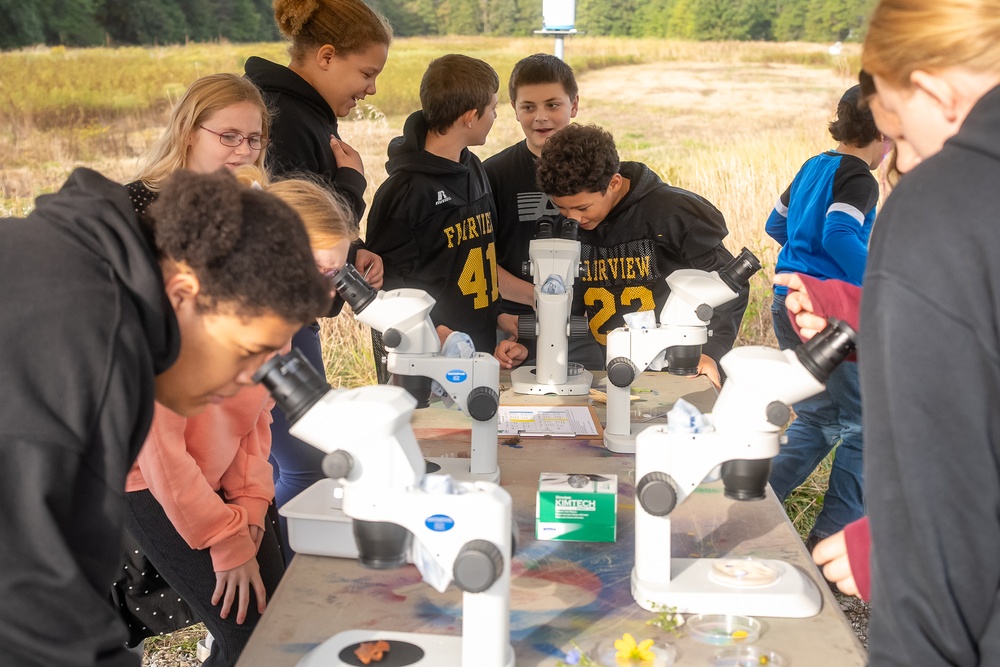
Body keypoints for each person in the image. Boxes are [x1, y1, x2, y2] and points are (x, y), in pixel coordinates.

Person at [0, 167, 331, 667]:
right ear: (184, 292)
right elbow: (37, 608)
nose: (248, 383)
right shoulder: (81, 336)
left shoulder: (124, 306)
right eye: (246, 352)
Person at [810, 1, 1000, 663]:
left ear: (933, 90)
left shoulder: (951, 200)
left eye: (906, 139)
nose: (904, 165)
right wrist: (875, 309)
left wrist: (896, 547)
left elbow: (945, 520)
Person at [245, 0, 388, 517]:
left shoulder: (301, 113)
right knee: (307, 462)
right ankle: (291, 583)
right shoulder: (285, 122)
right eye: (366, 72)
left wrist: (352, 251)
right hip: (270, 320)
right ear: (327, 56)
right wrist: (351, 185)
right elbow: (299, 232)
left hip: (289, 319)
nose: (370, 88)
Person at [533, 123, 748, 386]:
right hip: (616, 372)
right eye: (562, 209)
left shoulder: (671, 213)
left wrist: (711, 351)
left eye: (582, 207)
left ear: (613, 183)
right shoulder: (567, 227)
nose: (573, 219)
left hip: (682, 369)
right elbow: (568, 310)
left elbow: (730, 287)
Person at [764, 84, 885, 548]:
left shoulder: (813, 166)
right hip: (828, 313)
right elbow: (839, 232)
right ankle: (831, 541)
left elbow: (776, 224)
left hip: (785, 301)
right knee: (865, 425)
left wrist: (800, 263)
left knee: (818, 419)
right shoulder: (860, 178)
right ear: (883, 132)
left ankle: (752, 502)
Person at [364, 54, 506, 356]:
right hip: (428, 356)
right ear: (469, 117)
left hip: (480, 345)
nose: (496, 117)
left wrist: (500, 315)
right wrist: (432, 331)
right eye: (493, 109)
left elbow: (483, 258)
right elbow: (383, 286)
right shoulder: (405, 192)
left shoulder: (474, 168)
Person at [483, 54, 604, 371]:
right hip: (516, 325)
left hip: (588, 323)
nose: (541, 117)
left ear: (574, 105)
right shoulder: (493, 175)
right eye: (528, 107)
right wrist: (540, 298)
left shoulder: (599, 168)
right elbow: (480, 260)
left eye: (553, 105)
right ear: (514, 109)